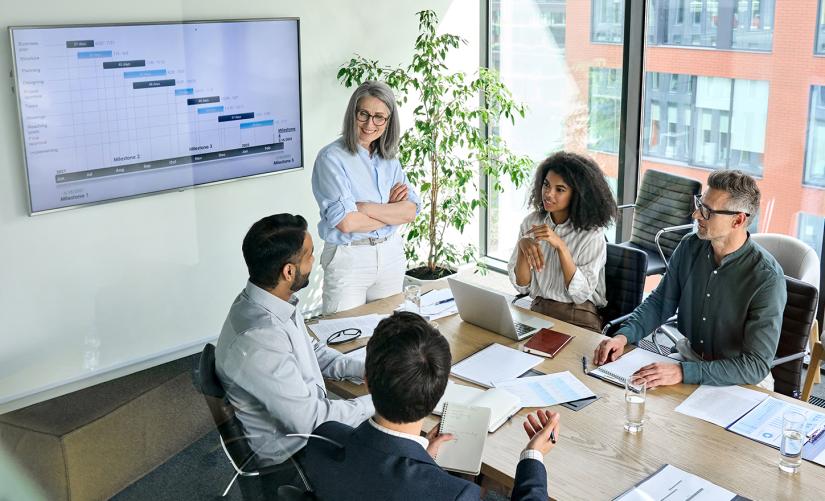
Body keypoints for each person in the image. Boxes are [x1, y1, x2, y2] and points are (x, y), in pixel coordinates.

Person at [302, 312, 558, 501]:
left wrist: (424, 458)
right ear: (440, 391)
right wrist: (533, 456)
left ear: (367, 381)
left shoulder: (323, 440)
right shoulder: (454, 494)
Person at [593, 170, 786, 389]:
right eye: (699, 204)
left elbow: (755, 365)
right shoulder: (689, 246)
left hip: (739, 379)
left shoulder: (767, 278)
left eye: (707, 211)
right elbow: (659, 303)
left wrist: (683, 372)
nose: (696, 215)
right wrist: (623, 337)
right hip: (689, 358)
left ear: (738, 220)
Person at [215, 213, 374, 466]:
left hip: (309, 428)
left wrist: (367, 369)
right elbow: (312, 421)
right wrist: (383, 400)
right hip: (296, 457)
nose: (315, 261)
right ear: (289, 271)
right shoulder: (259, 339)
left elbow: (311, 351)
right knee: (401, 451)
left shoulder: (268, 301)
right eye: (309, 255)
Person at [312, 80, 420, 315]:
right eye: (364, 114)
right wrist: (391, 211)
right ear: (353, 114)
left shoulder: (390, 159)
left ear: (388, 121)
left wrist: (364, 207)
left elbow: (410, 211)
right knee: (344, 337)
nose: (370, 124)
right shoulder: (331, 158)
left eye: (379, 117)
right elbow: (347, 222)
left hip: (390, 254)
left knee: (391, 337)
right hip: (349, 257)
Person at [508, 151, 617, 332]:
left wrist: (561, 247)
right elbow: (522, 286)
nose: (548, 194)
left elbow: (581, 294)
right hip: (539, 310)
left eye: (560, 189)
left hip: (579, 316)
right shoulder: (531, 222)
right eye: (546, 185)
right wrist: (522, 248)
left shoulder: (592, 235)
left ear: (578, 195)